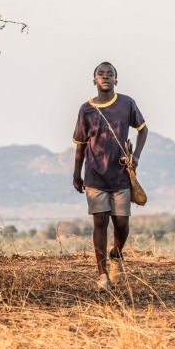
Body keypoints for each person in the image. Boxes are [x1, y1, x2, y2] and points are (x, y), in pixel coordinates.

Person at [72, 61, 148, 291]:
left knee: (122, 223)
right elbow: (81, 145)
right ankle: (102, 274)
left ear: (116, 79)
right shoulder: (86, 109)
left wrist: (137, 157)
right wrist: (77, 174)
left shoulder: (126, 104)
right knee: (100, 221)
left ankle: (116, 255)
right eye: (100, 74)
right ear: (94, 80)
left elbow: (143, 129)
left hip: (121, 174)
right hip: (94, 174)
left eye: (110, 74)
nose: (105, 77)